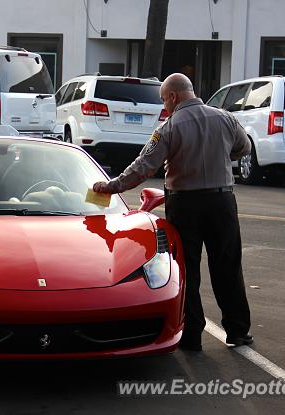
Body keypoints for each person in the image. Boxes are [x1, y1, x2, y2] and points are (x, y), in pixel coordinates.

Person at [93, 73, 253, 352]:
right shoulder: (225, 118)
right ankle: (238, 331)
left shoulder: (169, 128)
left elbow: (144, 166)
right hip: (222, 202)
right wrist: (220, 157)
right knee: (227, 265)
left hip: (185, 204)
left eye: (163, 101)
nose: (164, 107)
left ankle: (192, 336)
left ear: (173, 96)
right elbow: (244, 147)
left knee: (187, 269)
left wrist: (112, 186)